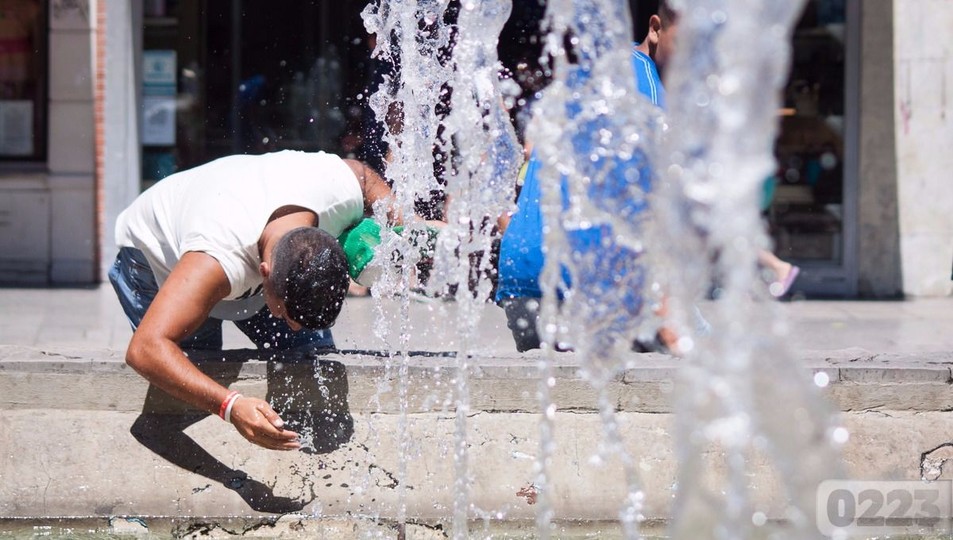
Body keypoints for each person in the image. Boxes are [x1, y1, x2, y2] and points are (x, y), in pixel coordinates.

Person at [110, 150, 397, 451]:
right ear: (264, 276)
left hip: (233, 224)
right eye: (288, 316)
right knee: (195, 377)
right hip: (156, 253)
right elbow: (145, 349)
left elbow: (363, 176)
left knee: (312, 361)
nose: (295, 328)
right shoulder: (217, 261)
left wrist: (409, 224)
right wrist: (229, 405)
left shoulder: (336, 194)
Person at [495, 3, 679, 353]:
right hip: (578, 292)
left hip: (520, 285)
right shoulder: (651, 95)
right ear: (654, 29)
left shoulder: (589, 71)